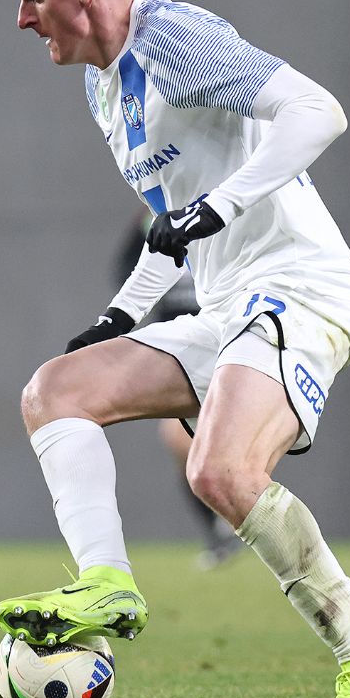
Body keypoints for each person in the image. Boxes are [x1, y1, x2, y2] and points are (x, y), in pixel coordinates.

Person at [0, 0, 350, 698]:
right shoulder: (102, 86)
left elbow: (318, 111)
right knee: (55, 391)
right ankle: (107, 583)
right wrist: (121, 312)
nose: (21, 18)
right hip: (228, 304)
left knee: (219, 471)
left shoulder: (173, 40)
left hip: (302, 285)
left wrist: (220, 206)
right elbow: (174, 221)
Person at [114, 208, 242, 571]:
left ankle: (236, 519)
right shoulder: (153, 220)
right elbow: (123, 272)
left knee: (210, 441)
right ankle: (220, 528)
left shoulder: (216, 211)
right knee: (179, 438)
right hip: (180, 346)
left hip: (226, 337)